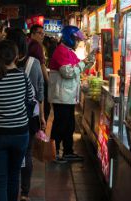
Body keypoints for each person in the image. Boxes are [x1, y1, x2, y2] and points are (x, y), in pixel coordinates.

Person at [0, 40, 35, 201]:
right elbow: (31, 100)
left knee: (0, 179)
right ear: (16, 57)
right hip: (20, 134)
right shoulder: (23, 77)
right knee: (14, 175)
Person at [5, 28, 45, 201]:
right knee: (26, 154)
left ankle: (9, 189)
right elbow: (40, 92)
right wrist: (42, 116)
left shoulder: (0, 64)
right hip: (28, 117)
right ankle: (24, 192)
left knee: (8, 155)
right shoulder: (34, 63)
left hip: (6, 116)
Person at [49, 26, 94, 163]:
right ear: (69, 38)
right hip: (61, 96)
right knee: (60, 125)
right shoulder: (62, 51)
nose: (77, 42)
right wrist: (83, 63)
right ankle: (54, 152)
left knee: (69, 125)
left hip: (67, 96)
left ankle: (68, 151)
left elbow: (76, 68)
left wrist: (87, 63)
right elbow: (67, 72)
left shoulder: (68, 51)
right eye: (76, 39)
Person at [28, 24, 50, 120]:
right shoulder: (37, 46)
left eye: (43, 34)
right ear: (32, 34)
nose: (42, 36)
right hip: (36, 81)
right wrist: (48, 82)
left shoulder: (27, 43)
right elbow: (42, 65)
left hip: (27, 80)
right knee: (42, 106)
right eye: (39, 33)